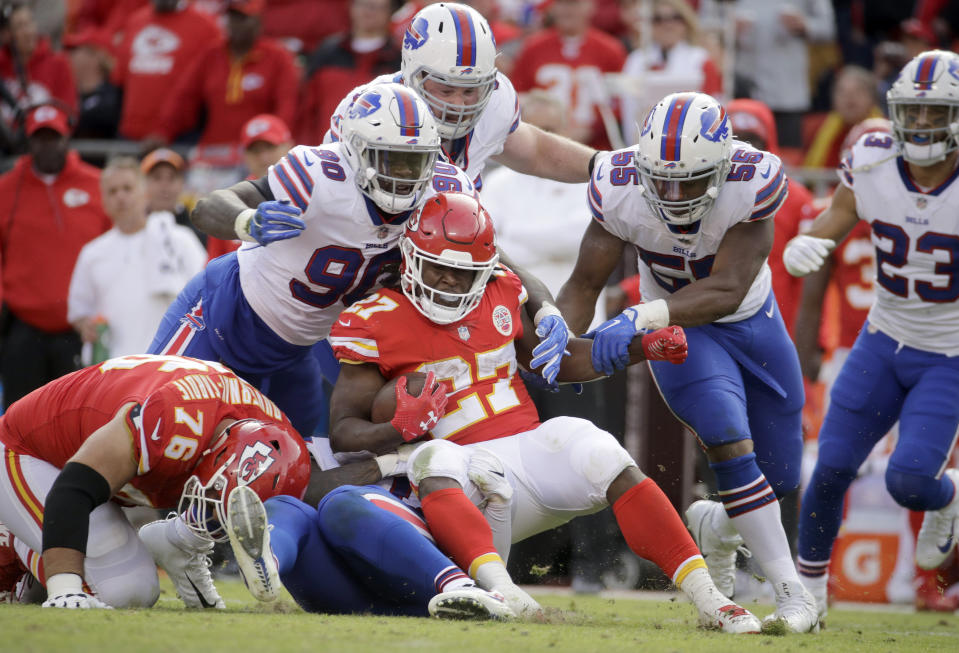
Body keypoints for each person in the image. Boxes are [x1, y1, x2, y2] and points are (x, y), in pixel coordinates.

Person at [228, 191, 762, 632]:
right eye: (440, 270)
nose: (453, 284)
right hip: (451, 476)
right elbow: (343, 432)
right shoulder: (376, 319)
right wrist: (397, 427)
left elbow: (564, 363)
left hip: (520, 452)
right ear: (413, 259)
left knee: (593, 441)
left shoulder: (502, 291)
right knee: (432, 453)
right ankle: (504, 593)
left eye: (467, 274)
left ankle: (711, 598)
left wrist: (640, 347)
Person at [555, 91, 818, 633]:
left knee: (783, 474)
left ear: (722, 169)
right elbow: (583, 284)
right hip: (680, 333)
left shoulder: (752, 180)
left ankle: (718, 525)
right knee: (724, 432)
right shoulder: (620, 183)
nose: (674, 194)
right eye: (662, 180)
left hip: (751, 321)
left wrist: (638, 315)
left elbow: (726, 289)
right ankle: (794, 595)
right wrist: (556, 335)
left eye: (690, 181)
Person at [148, 83, 466, 443]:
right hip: (223, 318)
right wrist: (247, 222)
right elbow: (209, 207)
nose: (407, 176)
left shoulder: (444, 190)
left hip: (297, 352)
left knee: (287, 470)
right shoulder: (320, 176)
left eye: (417, 161)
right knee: (150, 429)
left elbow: (491, 258)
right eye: (392, 159)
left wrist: (542, 309)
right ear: (358, 151)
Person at [784, 49, 959, 621]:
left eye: (937, 114)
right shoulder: (873, 157)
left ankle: (947, 497)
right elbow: (836, 216)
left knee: (911, 481)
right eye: (914, 111)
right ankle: (808, 595)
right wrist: (809, 241)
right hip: (882, 338)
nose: (923, 124)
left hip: (948, 353)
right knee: (831, 467)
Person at [0, 353, 310, 609]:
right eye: (220, 504)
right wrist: (64, 589)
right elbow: (75, 487)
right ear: (216, 457)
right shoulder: (175, 420)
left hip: (95, 473)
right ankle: (11, 539)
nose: (218, 521)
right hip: (30, 451)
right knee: (121, 593)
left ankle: (173, 538)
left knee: (135, 591)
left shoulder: (281, 440)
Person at [326, 2, 598, 191]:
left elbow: (537, 152)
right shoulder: (367, 113)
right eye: (446, 89)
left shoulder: (495, 100)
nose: (458, 103)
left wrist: (600, 165)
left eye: (470, 90)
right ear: (413, 75)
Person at [0, 103, 112, 409]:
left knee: (78, 420)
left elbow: (115, 248)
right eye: (40, 138)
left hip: (81, 330)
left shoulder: (97, 184)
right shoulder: (6, 189)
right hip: (24, 328)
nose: (48, 146)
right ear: (28, 141)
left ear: (68, 138)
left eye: (55, 137)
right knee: (19, 421)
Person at [67, 156, 207, 360]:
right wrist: (85, 326)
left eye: (127, 188)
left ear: (145, 194)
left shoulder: (180, 240)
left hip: (170, 361)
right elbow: (79, 311)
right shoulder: (92, 253)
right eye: (113, 191)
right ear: (104, 201)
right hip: (113, 367)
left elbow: (207, 294)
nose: (121, 197)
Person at [154, 0, 299, 149]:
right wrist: (163, 132)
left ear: (258, 22)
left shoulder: (278, 57)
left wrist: (278, 145)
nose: (237, 25)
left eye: (243, 19)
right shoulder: (212, 54)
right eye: (233, 18)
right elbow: (184, 97)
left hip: (258, 151)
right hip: (215, 150)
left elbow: (287, 108)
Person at [510, 0, 627, 150]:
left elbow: (621, 102)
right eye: (560, 3)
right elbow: (517, 95)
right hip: (544, 146)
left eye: (573, 3)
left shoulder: (610, 49)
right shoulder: (533, 47)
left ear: (591, 6)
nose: (566, 10)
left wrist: (592, 129)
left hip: (596, 147)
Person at [112, 0, 222, 141]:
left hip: (180, 138)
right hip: (130, 135)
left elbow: (210, 89)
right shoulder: (135, 21)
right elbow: (120, 82)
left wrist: (166, 130)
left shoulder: (206, 27)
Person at [297, 0, 402, 145]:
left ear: (390, 12)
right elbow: (306, 110)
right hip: (325, 149)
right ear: (351, 7)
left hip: (377, 151)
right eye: (363, 4)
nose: (368, 12)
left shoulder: (398, 58)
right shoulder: (326, 52)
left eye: (377, 7)